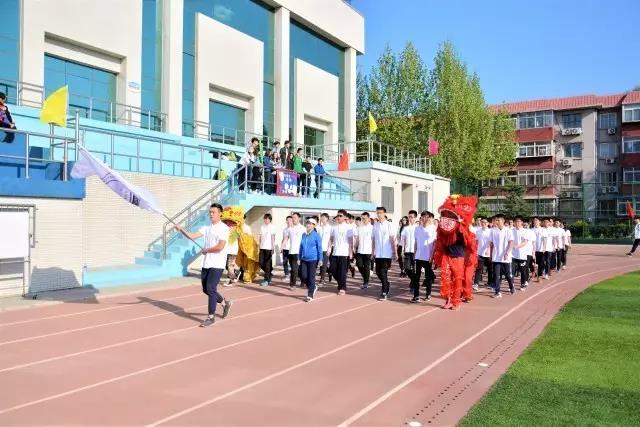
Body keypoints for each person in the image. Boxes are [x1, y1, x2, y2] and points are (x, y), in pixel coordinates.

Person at [175, 203, 233, 327]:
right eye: (210, 212)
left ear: (220, 213)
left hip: (217, 263)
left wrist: (207, 250)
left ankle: (211, 317)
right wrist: (181, 229)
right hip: (207, 263)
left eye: (213, 212)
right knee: (206, 289)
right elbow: (192, 236)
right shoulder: (207, 228)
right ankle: (224, 303)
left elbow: (220, 246)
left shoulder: (223, 228)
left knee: (211, 288)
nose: (211, 214)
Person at [411, 210, 437, 302]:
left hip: (427, 256)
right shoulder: (417, 229)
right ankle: (416, 295)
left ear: (429, 218)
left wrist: (431, 256)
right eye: (423, 217)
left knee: (428, 276)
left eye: (426, 217)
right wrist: (414, 253)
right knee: (416, 277)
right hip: (418, 256)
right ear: (421, 217)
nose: (425, 218)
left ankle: (428, 293)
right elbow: (415, 242)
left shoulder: (433, 228)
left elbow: (434, 244)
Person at [373, 207, 396, 301]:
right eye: (377, 213)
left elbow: (392, 239)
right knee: (378, 272)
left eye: (380, 213)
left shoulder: (389, 225)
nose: (379, 214)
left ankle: (384, 291)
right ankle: (387, 283)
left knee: (383, 272)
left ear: (384, 213)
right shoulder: (375, 225)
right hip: (378, 253)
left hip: (387, 253)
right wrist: (373, 251)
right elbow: (373, 239)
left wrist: (394, 252)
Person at [489, 213, 514, 298]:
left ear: (503, 221)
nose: (496, 222)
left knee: (507, 275)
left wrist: (507, 252)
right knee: (496, 275)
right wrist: (491, 254)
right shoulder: (493, 231)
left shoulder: (508, 230)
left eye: (498, 220)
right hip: (496, 256)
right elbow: (491, 244)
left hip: (505, 257)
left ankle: (511, 286)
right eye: (496, 220)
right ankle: (497, 292)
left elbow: (511, 242)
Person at [299, 218, 323, 302]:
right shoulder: (304, 235)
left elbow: (319, 248)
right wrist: (299, 257)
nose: (308, 225)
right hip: (304, 259)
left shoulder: (316, 235)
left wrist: (320, 259)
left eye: (310, 223)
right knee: (303, 276)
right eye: (307, 223)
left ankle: (310, 295)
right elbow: (301, 247)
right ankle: (313, 287)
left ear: (314, 225)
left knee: (311, 277)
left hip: (313, 259)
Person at [329, 209, 351, 295]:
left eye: (340, 216)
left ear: (345, 217)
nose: (338, 217)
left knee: (342, 271)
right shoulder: (334, 227)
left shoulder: (348, 227)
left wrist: (351, 252)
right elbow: (331, 239)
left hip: (344, 253)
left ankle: (342, 288)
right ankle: (342, 282)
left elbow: (350, 241)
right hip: (335, 252)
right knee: (332, 269)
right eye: (338, 215)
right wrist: (329, 249)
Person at [282, 212, 305, 289]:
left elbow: (305, 240)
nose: (293, 219)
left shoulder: (303, 228)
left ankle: (296, 283)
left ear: (299, 218)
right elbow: (286, 239)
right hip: (291, 251)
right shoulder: (290, 229)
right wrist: (282, 247)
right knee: (293, 269)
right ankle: (295, 283)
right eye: (292, 217)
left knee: (298, 269)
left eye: (295, 217)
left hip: (299, 252)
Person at [354, 211, 373, 289]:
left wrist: (374, 250)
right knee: (359, 265)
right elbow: (357, 239)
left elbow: (373, 240)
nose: (363, 220)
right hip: (360, 250)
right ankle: (365, 276)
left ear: (368, 218)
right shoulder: (359, 228)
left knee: (367, 266)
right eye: (362, 218)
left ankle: (366, 282)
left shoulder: (372, 228)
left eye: (365, 218)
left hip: (368, 250)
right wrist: (355, 246)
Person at [511, 216, 530, 291]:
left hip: (522, 254)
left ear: (522, 222)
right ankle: (511, 285)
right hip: (512, 254)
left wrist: (516, 246)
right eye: (516, 221)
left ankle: (523, 283)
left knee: (522, 270)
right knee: (511, 270)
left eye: (519, 221)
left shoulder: (525, 231)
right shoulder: (511, 230)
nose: (517, 223)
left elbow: (525, 242)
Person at [473, 217, 492, 290]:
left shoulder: (490, 231)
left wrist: (488, 249)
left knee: (490, 268)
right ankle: (476, 283)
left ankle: (490, 283)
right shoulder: (478, 231)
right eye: (482, 222)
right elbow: (476, 241)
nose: (483, 224)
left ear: (488, 223)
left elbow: (491, 242)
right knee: (479, 268)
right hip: (480, 252)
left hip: (488, 253)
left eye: (485, 222)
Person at [401, 210, 418, 285]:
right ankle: (414, 281)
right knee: (407, 268)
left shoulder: (418, 228)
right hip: (407, 251)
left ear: (415, 218)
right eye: (409, 217)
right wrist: (402, 250)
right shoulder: (406, 228)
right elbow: (403, 240)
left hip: (416, 252)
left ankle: (413, 284)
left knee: (414, 269)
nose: (410, 218)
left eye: (411, 217)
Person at [259, 213, 276, 286]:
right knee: (261, 263)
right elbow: (260, 237)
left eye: (267, 219)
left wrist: (273, 247)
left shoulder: (272, 227)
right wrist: (259, 246)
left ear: (270, 220)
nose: (266, 220)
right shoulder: (262, 227)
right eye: (265, 218)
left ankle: (266, 280)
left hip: (269, 248)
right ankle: (269, 273)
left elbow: (273, 238)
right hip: (262, 247)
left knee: (267, 264)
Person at [317, 212, 332, 285]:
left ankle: (322, 279)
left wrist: (329, 249)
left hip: (326, 249)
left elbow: (330, 239)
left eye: (323, 218)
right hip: (318, 249)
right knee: (319, 263)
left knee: (324, 264)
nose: (322, 219)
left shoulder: (330, 228)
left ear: (327, 218)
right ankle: (329, 272)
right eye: (321, 218)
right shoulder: (319, 228)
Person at [281, 216, 293, 280]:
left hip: (291, 249)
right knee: (285, 262)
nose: (288, 221)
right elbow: (283, 239)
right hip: (285, 248)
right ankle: (287, 275)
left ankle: (293, 274)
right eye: (287, 220)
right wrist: (281, 247)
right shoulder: (285, 229)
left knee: (292, 263)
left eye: (290, 220)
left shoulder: (293, 229)